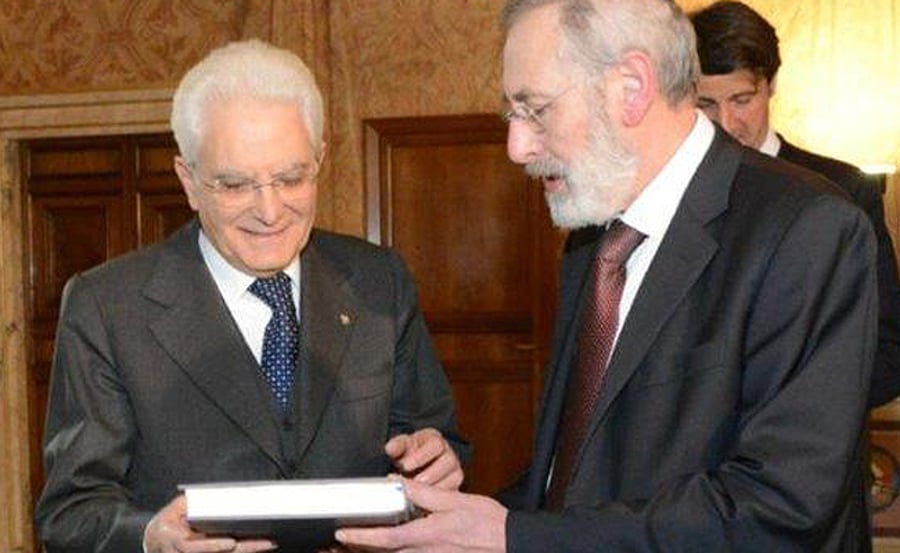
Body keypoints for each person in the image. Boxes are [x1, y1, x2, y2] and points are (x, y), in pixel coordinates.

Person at [336, 0, 878, 551]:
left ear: (632, 88)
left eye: (536, 110)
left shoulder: (807, 231)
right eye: (512, 114)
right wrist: (457, 523)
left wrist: (515, 536)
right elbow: (572, 478)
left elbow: (778, 508)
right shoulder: (593, 238)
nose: (517, 148)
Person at [35, 39, 468, 553]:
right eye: (236, 185)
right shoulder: (108, 307)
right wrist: (150, 537)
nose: (270, 211)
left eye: (291, 178)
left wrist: (436, 459)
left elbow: (433, 440)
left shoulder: (379, 281)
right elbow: (70, 512)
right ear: (189, 181)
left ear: (319, 160)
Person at [690, 1, 900, 407]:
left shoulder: (842, 190)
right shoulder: (667, 193)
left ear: (770, 84)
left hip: (813, 439)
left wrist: (790, 414)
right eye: (706, 105)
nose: (726, 124)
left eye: (741, 100)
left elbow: (887, 350)